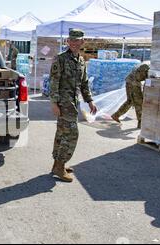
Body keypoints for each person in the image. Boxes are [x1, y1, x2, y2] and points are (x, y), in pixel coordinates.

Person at [50, 29, 98, 183]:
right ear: (67, 42)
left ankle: (57, 164)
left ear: (83, 42)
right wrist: (54, 103)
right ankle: (59, 165)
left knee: (62, 133)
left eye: (78, 40)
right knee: (71, 134)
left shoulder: (82, 60)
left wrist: (89, 100)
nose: (75, 43)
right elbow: (54, 82)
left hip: (73, 101)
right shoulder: (60, 59)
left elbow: (84, 83)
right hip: (64, 102)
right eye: (72, 40)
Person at [111, 63, 150, 129]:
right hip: (134, 84)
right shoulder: (150, 68)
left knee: (130, 101)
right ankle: (141, 123)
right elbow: (148, 83)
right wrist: (144, 94)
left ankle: (116, 115)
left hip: (128, 81)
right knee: (139, 103)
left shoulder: (146, 63)